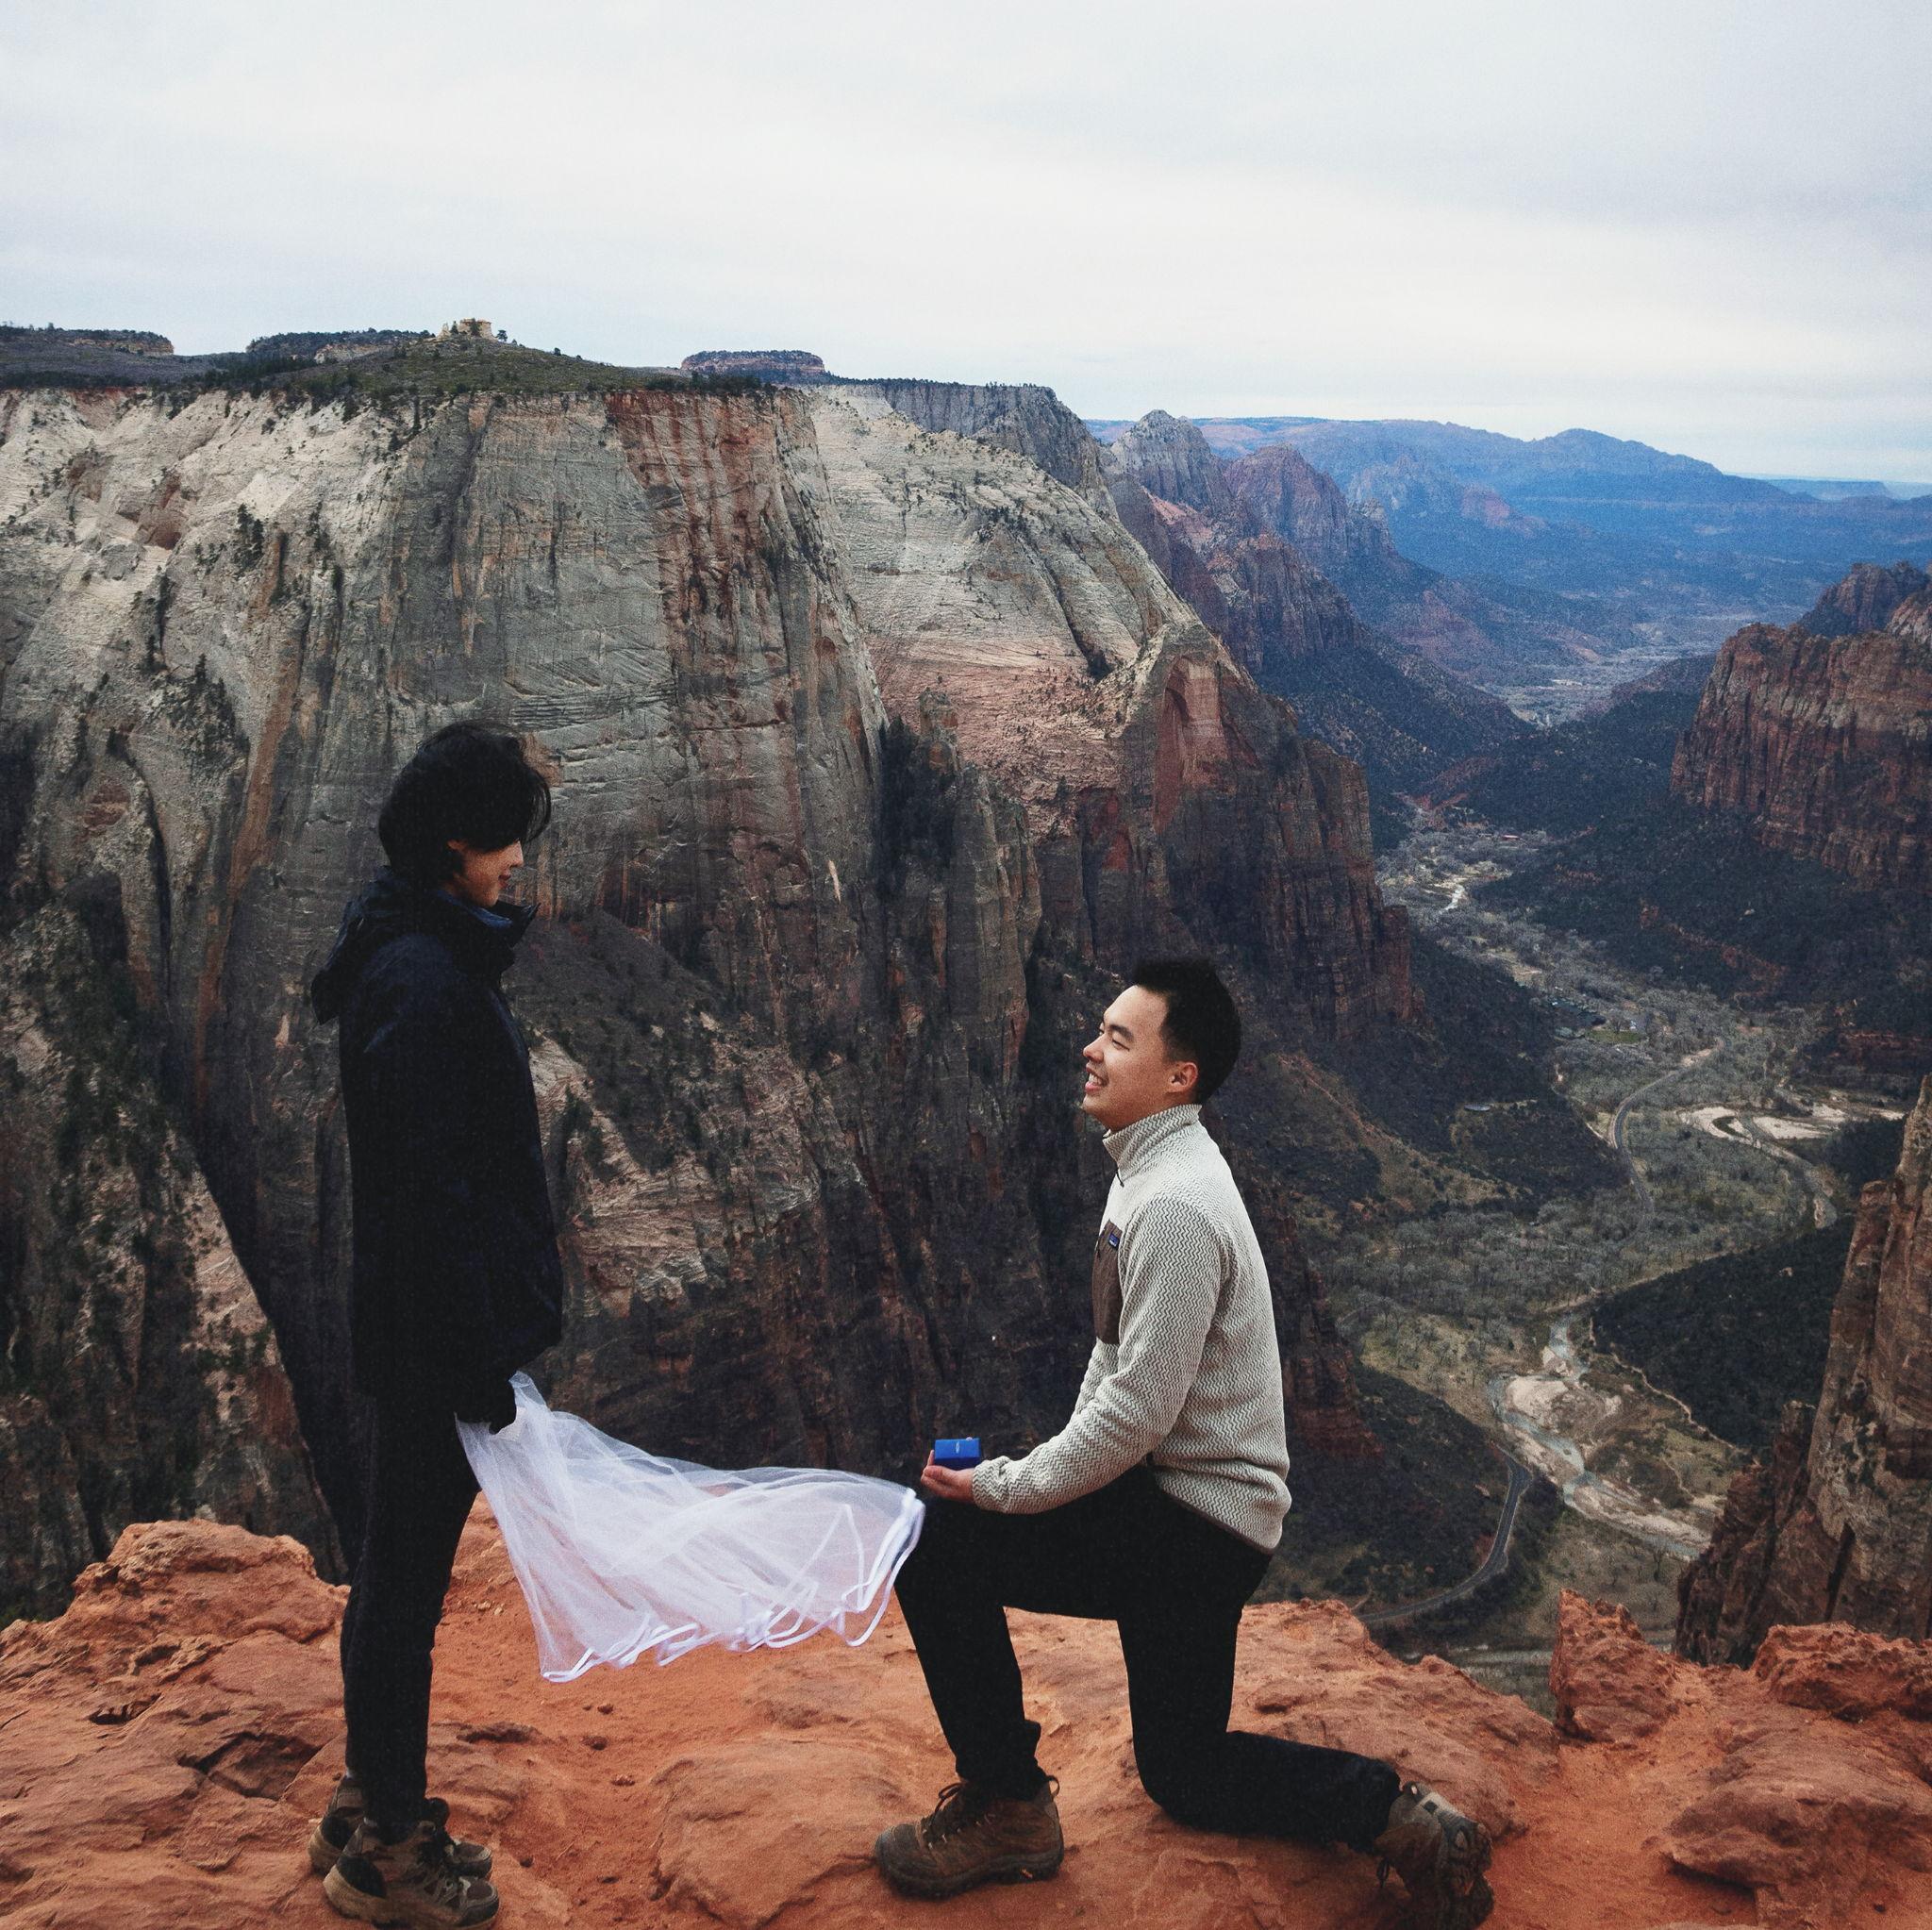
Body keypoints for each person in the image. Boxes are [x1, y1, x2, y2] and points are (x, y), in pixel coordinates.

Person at [874, 957, 1494, 1929]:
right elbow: (1111, 1365)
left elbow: (1133, 1417)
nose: (1088, 1048)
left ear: (1179, 1076)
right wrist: (1033, 1472)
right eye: (1099, 1029)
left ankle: (1006, 1808)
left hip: (1187, 1526)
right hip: (1201, 1515)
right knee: (1185, 1772)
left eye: (1118, 1038)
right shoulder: (1153, 1170)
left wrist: (1002, 1488)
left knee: (930, 1540)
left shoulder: (1166, 1205)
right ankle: (1403, 1821)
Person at [307, 721, 564, 1929]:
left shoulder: (412, 947)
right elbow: (424, 1192)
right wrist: (473, 1359)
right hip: (431, 1336)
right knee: (403, 1583)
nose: (518, 862)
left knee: (394, 1574)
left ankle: (373, 1800)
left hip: (429, 1326)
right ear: (458, 838)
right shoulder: (419, 976)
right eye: (508, 838)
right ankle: (388, 1855)